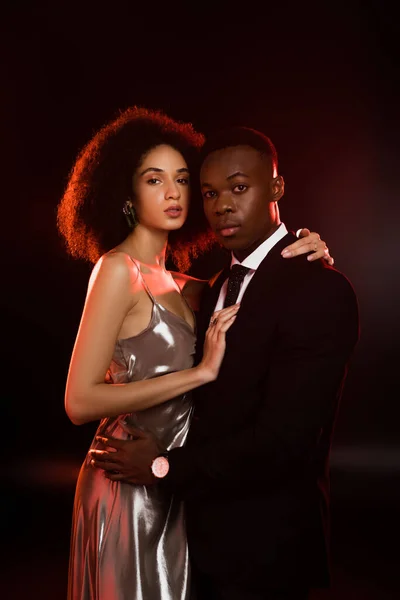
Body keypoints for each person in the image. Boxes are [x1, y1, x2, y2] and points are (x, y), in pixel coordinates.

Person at [58, 107, 335, 600]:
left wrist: (309, 250)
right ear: (126, 192)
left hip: (182, 488)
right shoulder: (116, 269)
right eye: (154, 179)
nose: (173, 193)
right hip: (129, 478)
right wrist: (200, 373)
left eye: (183, 180)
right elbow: (78, 402)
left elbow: (268, 300)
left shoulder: (199, 290)